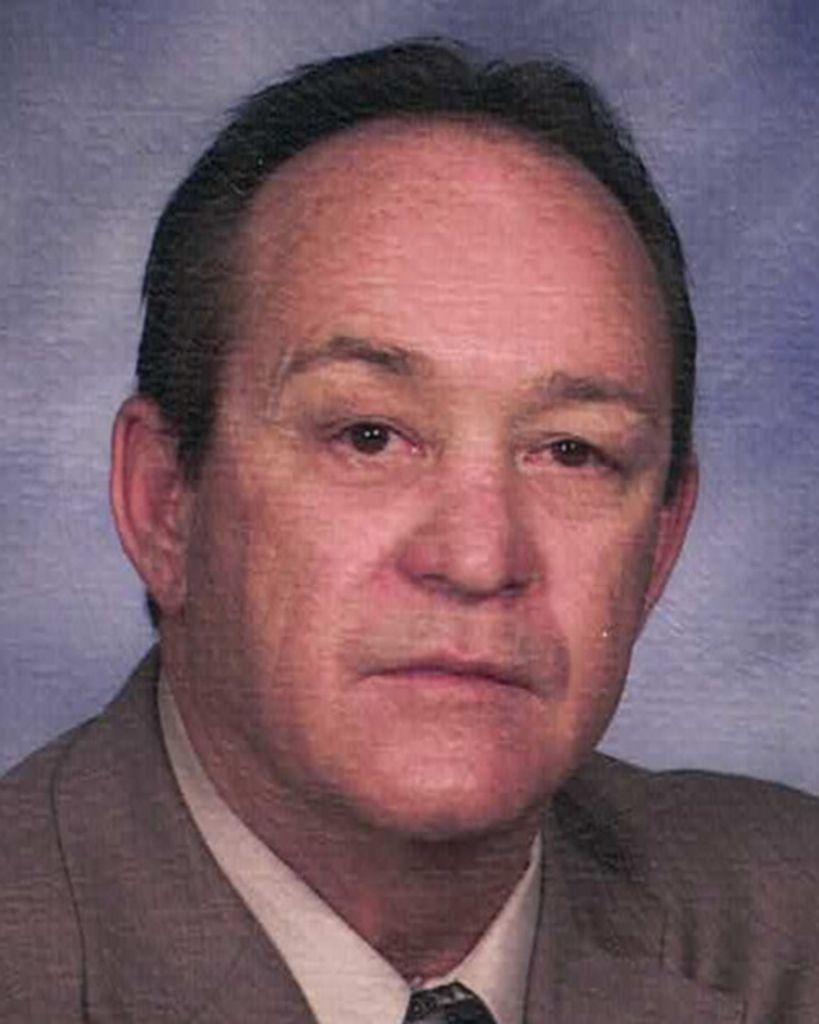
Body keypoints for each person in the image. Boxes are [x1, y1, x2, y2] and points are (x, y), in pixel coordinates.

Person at [1, 38, 817, 1023]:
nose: (477, 560)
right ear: (164, 504)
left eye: (571, 451)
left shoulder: (793, 925)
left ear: (659, 546)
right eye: (369, 436)